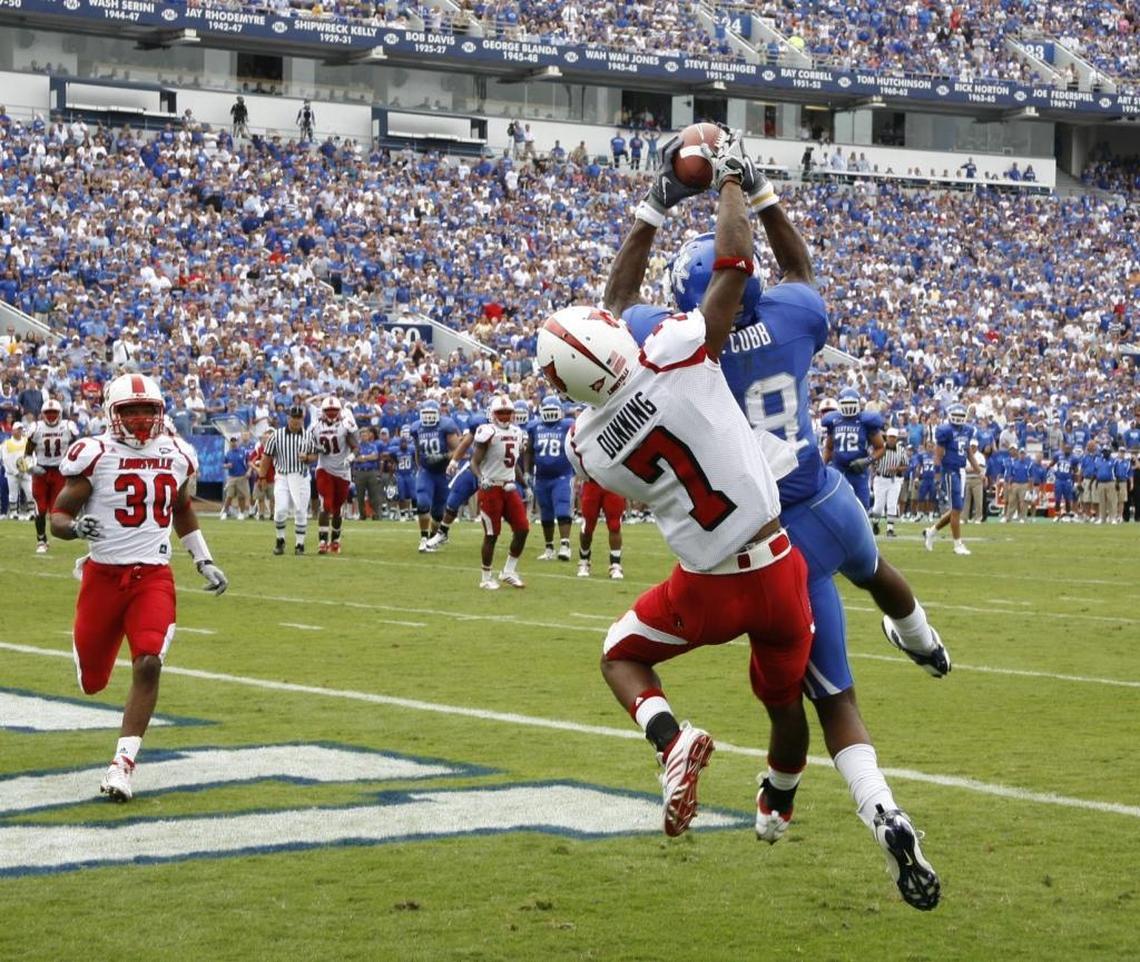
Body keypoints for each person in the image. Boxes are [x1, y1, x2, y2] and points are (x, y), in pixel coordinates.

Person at [617, 133, 942, 909]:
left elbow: (618, 301)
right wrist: (755, 189)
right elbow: (798, 270)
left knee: (828, 704)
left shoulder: (687, 352)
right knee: (877, 573)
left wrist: (657, 200)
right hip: (829, 496)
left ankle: (881, 811)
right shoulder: (793, 312)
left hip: (776, 539)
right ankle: (928, 643)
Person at [536, 148, 818, 852]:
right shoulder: (673, 349)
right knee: (784, 703)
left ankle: (671, 740)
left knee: (619, 656)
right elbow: (732, 265)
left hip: (705, 588)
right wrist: (726, 181)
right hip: (777, 564)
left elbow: (615, 312)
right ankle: (776, 803)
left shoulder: (588, 445)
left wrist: (652, 208)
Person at [49, 373, 228, 802]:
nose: (140, 418)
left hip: (152, 575)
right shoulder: (95, 454)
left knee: (149, 662)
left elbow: (181, 507)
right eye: (130, 410)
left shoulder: (178, 453)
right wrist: (75, 528)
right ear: (113, 413)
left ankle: (122, 765)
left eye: (147, 408)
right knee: (93, 680)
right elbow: (57, 517)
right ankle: (92, 663)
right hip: (102, 577)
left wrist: (203, 558)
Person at [470, 394, 529, 589]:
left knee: (522, 529)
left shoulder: (517, 432)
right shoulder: (487, 432)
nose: (504, 416)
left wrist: (526, 485)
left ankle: (509, 571)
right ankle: (485, 577)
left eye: (507, 413)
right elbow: (474, 462)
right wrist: (481, 478)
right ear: (493, 414)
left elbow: (514, 464)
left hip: (509, 487)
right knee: (492, 534)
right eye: (500, 413)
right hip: (491, 488)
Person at [424, 405, 489, 550]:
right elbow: (466, 443)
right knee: (454, 497)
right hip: (476, 466)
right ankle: (442, 532)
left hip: (497, 470)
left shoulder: (511, 430)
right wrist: (454, 461)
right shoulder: (480, 422)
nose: (502, 416)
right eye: (499, 413)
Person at [260, 405, 318, 555]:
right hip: (283, 476)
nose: (296, 421)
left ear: (302, 419)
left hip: (301, 476)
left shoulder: (308, 436)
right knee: (280, 510)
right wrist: (262, 476)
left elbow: (314, 456)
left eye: (299, 418)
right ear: (288, 418)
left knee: (301, 511)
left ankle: (300, 544)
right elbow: (266, 457)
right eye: (294, 418)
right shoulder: (276, 436)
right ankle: (280, 540)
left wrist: (306, 457)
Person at [923, 403, 978, 554]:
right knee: (956, 509)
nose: (959, 419)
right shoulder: (945, 431)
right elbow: (938, 455)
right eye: (957, 416)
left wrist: (979, 471)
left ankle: (931, 531)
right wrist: (938, 475)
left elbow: (969, 453)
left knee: (956, 509)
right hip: (950, 471)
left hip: (961, 471)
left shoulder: (967, 430)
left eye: (962, 416)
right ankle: (957, 545)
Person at [26, 398, 78, 552]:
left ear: (60, 413)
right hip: (41, 472)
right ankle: (41, 540)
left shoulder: (68, 427)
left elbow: (77, 449)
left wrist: (72, 466)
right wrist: (31, 467)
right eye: (48, 413)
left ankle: (64, 533)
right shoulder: (36, 428)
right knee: (40, 508)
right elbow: (27, 454)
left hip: (60, 471)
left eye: (54, 413)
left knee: (57, 510)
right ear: (42, 414)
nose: (51, 416)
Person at [526, 395, 574, 561]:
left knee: (562, 509)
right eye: (548, 411)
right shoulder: (534, 427)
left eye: (554, 411)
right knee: (545, 514)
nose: (551, 415)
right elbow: (529, 451)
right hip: (541, 478)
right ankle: (549, 548)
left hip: (562, 475)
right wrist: (527, 472)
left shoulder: (567, 425)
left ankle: (565, 546)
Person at [309, 395, 358, 554]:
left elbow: (355, 446)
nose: (331, 413)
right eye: (328, 411)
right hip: (324, 469)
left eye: (334, 410)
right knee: (327, 505)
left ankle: (335, 539)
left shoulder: (345, 424)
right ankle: (322, 541)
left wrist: (351, 457)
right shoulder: (316, 426)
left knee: (337, 509)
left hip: (342, 471)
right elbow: (308, 446)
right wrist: (316, 449)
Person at [822, 389, 884, 513]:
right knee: (836, 507)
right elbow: (829, 448)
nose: (848, 407)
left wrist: (867, 461)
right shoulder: (833, 421)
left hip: (858, 472)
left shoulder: (865, 421)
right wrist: (822, 466)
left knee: (862, 508)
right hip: (838, 469)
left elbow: (881, 448)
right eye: (845, 404)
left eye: (851, 403)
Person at [412, 399, 460, 551]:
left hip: (442, 473)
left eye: (431, 414)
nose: (428, 417)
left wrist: (443, 456)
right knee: (422, 502)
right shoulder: (416, 427)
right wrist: (419, 466)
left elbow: (459, 450)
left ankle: (432, 539)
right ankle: (423, 538)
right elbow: (417, 450)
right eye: (425, 414)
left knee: (439, 512)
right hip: (427, 471)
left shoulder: (446, 426)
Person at [577, 479, 626, 579]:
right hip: (592, 482)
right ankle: (584, 561)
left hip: (614, 483)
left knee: (615, 525)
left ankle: (615, 565)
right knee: (587, 527)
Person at [871, 428, 907, 538]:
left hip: (894, 479)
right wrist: (874, 469)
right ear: (886, 437)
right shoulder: (880, 448)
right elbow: (872, 460)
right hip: (881, 478)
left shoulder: (901, 450)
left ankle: (890, 529)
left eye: (894, 437)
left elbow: (905, 465)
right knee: (878, 507)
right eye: (890, 437)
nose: (891, 439)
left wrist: (897, 468)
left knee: (892, 504)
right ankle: (875, 523)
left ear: (896, 438)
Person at [2, 422, 33, 520]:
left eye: (20, 429)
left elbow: (31, 456)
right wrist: (16, 472)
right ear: (13, 431)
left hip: (26, 473)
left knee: (30, 492)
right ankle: (13, 513)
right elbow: (6, 460)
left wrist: (27, 468)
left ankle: (32, 512)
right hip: (12, 474)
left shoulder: (27, 441)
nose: (19, 431)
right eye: (17, 429)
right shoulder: (6, 444)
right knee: (13, 494)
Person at [353, 426, 384, 520]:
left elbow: (375, 456)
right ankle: (362, 515)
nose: (364, 437)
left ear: (368, 436)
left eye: (365, 435)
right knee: (360, 495)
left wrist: (363, 458)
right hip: (360, 472)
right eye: (362, 435)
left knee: (374, 495)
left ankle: (376, 515)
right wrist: (366, 457)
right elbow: (355, 458)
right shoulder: (356, 447)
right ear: (360, 436)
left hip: (372, 472)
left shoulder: (373, 445)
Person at [220, 436, 251, 521]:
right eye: (232, 441)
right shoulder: (228, 453)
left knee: (241, 496)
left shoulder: (244, 452)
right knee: (229, 496)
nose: (234, 443)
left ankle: (241, 513)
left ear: (238, 442)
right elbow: (223, 464)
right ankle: (225, 512)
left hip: (242, 477)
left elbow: (249, 463)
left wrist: (249, 471)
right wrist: (227, 466)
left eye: (235, 441)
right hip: (232, 477)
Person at [1049, 443, 1076, 521]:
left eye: (1069, 448)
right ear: (1063, 449)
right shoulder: (1058, 456)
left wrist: (1074, 481)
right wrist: (1050, 468)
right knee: (1057, 498)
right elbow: (1052, 463)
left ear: (1070, 450)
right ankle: (1057, 514)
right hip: (1059, 480)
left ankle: (1067, 515)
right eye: (1066, 448)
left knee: (1068, 499)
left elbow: (1075, 470)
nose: (1067, 450)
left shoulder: (1073, 458)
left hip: (1067, 480)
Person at [963, 438, 986, 523]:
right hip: (967, 478)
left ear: (977, 447)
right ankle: (964, 518)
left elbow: (980, 468)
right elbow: (964, 468)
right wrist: (973, 469)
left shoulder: (980, 456)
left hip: (977, 479)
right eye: (971, 446)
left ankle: (978, 517)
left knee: (978, 501)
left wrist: (971, 469)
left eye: (974, 446)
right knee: (966, 501)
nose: (972, 448)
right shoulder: (966, 455)